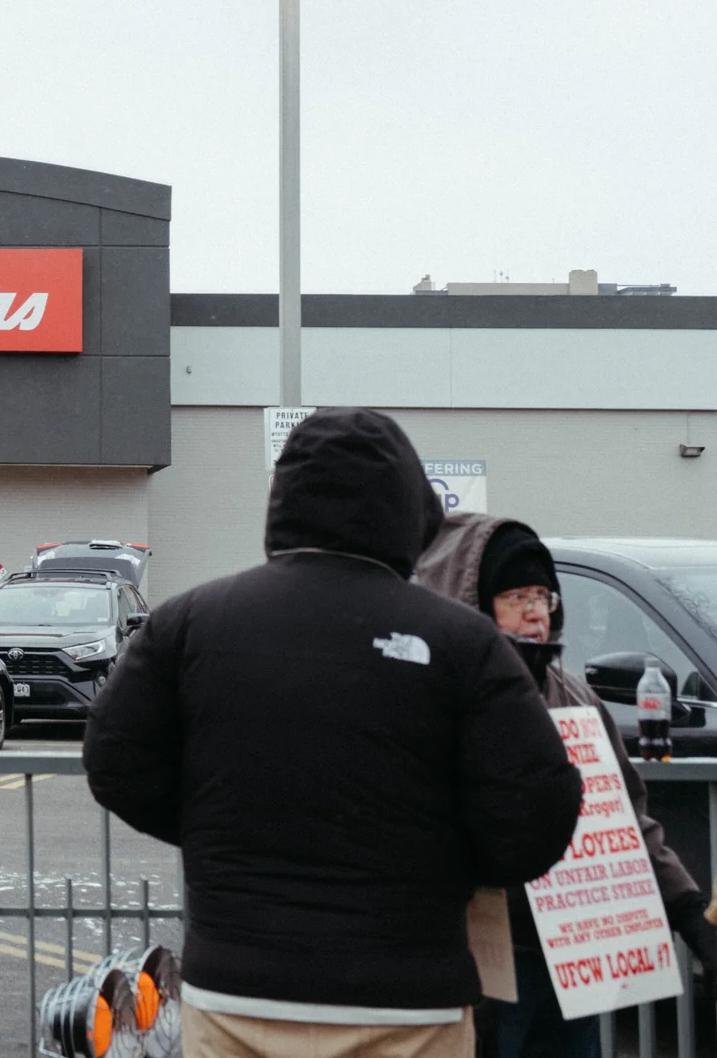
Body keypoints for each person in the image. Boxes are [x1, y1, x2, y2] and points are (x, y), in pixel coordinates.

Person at [84, 407, 584, 1058]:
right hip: (409, 1003)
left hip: (237, 994)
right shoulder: (464, 642)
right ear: (410, 510)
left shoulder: (191, 622)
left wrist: (215, 826)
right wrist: (449, 863)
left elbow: (115, 759)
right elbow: (538, 807)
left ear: (283, 502)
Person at [417, 512, 717, 1057]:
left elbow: (627, 819)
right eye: (517, 597)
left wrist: (689, 911)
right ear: (475, 607)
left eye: (544, 597)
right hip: (484, 963)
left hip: (577, 959)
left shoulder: (576, 696)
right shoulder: (439, 700)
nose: (536, 615)